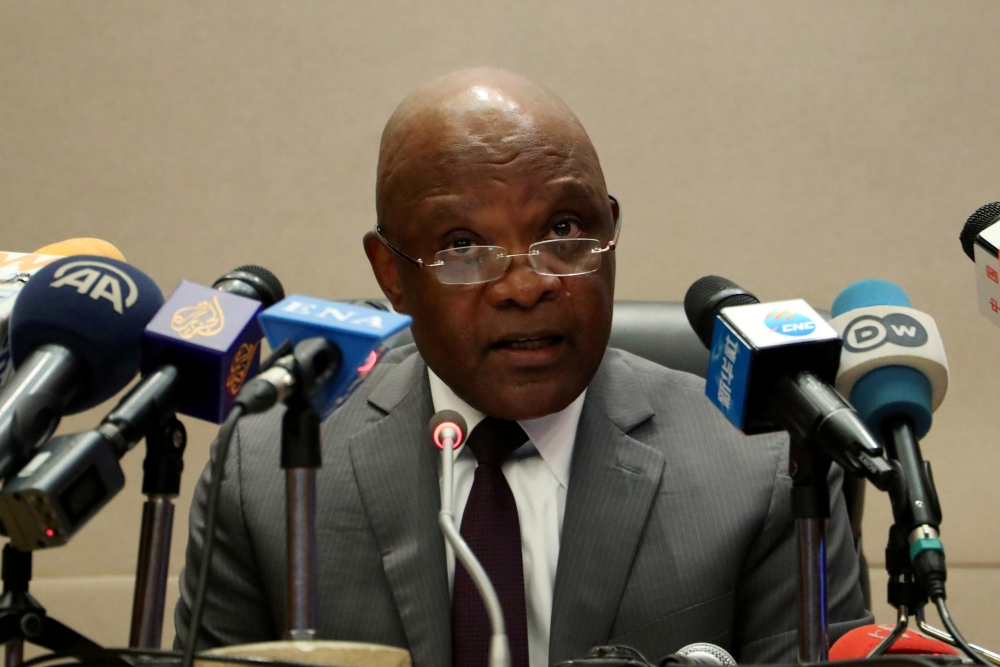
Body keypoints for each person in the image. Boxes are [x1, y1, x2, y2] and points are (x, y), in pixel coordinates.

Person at [174, 67, 871, 666]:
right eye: (463, 245)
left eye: (564, 229)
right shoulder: (266, 473)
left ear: (610, 229)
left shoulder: (761, 464)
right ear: (390, 272)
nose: (526, 285)